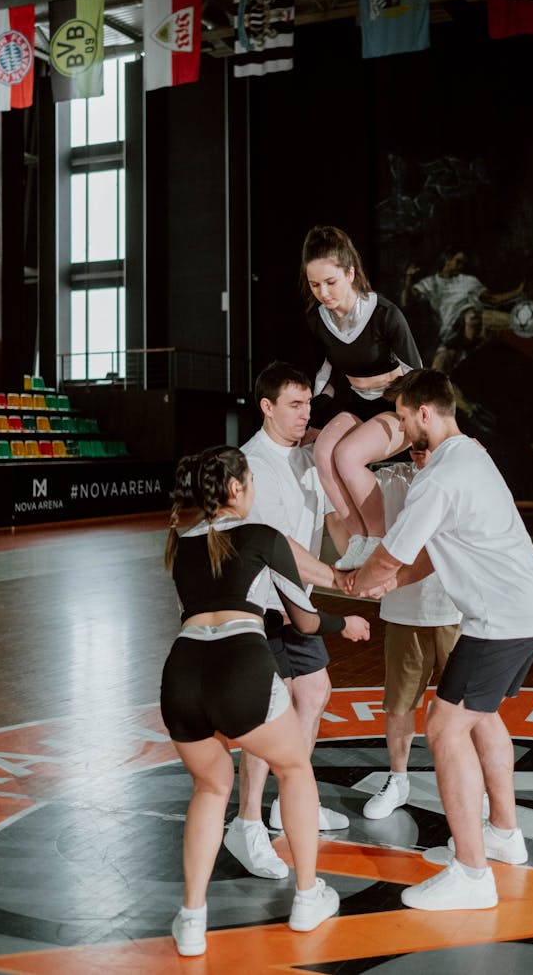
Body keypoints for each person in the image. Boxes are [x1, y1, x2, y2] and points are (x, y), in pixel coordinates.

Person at [344, 369, 533, 912]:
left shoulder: (438, 477)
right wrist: (391, 579)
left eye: (400, 417)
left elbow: (391, 555)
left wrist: (357, 581)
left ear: (424, 413)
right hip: (530, 609)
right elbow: (422, 556)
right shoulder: (469, 455)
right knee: (482, 716)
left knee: (443, 727)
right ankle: (504, 836)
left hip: (502, 618)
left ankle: (471, 872)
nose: (398, 429)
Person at [161, 445, 369, 956]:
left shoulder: (178, 542)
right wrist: (348, 624)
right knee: (295, 768)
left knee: (211, 788)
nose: (254, 488)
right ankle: (306, 897)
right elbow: (305, 621)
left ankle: (191, 921)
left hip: (182, 673)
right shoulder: (264, 537)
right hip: (240, 667)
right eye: (250, 480)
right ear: (235, 489)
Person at [223, 362, 353, 883]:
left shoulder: (306, 458)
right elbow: (283, 552)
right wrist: (342, 581)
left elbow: (331, 522)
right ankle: (247, 822)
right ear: (267, 407)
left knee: (315, 692)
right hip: (261, 605)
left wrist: (359, 561)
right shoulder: (253, 464)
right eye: (294, 406)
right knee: (269, 714)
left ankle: (290, 799)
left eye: (308, 404)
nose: (305, 415)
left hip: (296, 600)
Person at [301, 225, 422, 568]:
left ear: (350, 273)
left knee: (348, 455)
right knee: (323, 453)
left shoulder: (385, 315)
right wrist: (312, 421)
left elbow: (418, 377)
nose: (323, 292)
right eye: (314, 284)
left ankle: (379, 540)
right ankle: (359, 539)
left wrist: (437, 435)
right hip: (358, 401)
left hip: (396, 404)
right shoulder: (318, 319)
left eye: (330, 282)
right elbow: (325, 375)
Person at [362, 446, 462, 820]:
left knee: (465, 707)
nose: (421, 452)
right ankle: (398, 779)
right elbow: (343, 458)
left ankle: (473, 783)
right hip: (404, 608)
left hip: (454, 607)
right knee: (399, 703)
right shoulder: (388, 478)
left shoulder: (457, 472)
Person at [401, 246, 524, 360]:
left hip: (476, 320)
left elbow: (491, 299)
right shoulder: (431, 283)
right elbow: (406, 301)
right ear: (447, 259)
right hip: (451, 331)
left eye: (463, 263)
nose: (460, 266)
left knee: (517, 323)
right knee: (441, 366)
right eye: (458, 261)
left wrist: (517, 292)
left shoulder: (468, 281)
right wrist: (409, 279)